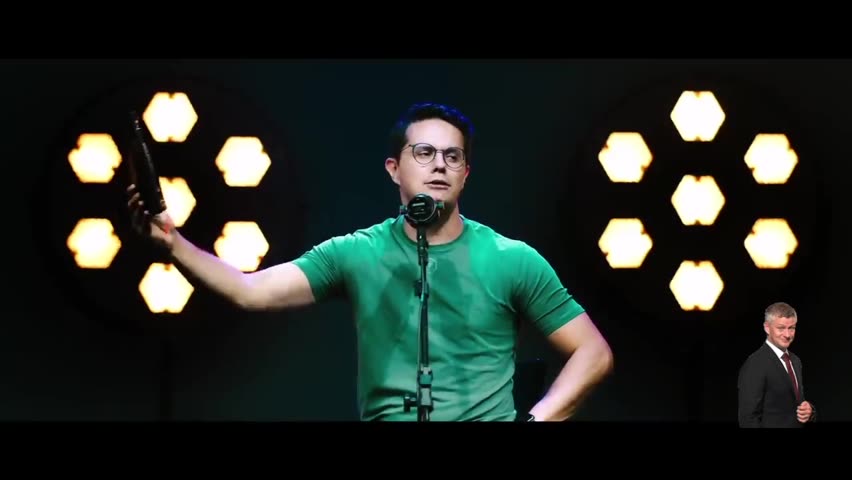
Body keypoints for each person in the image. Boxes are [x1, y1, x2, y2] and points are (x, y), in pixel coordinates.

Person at [126, 102, 614, 421]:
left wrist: (537, 418)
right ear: (394, 169)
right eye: (424, 152)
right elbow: (250, 290)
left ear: (466, 173)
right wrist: (174, 244)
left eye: (452, 156)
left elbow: (593, 352)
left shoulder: (512, 259)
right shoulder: (357, 252)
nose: (439, 164)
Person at [737, 302, 816, 427]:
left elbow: (792, 404)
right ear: (767, 328)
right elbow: (748, 419)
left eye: (791, 328)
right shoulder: (755, 364)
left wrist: (809, 411)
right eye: (781, 328)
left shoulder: (795, 361)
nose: (787, 335)